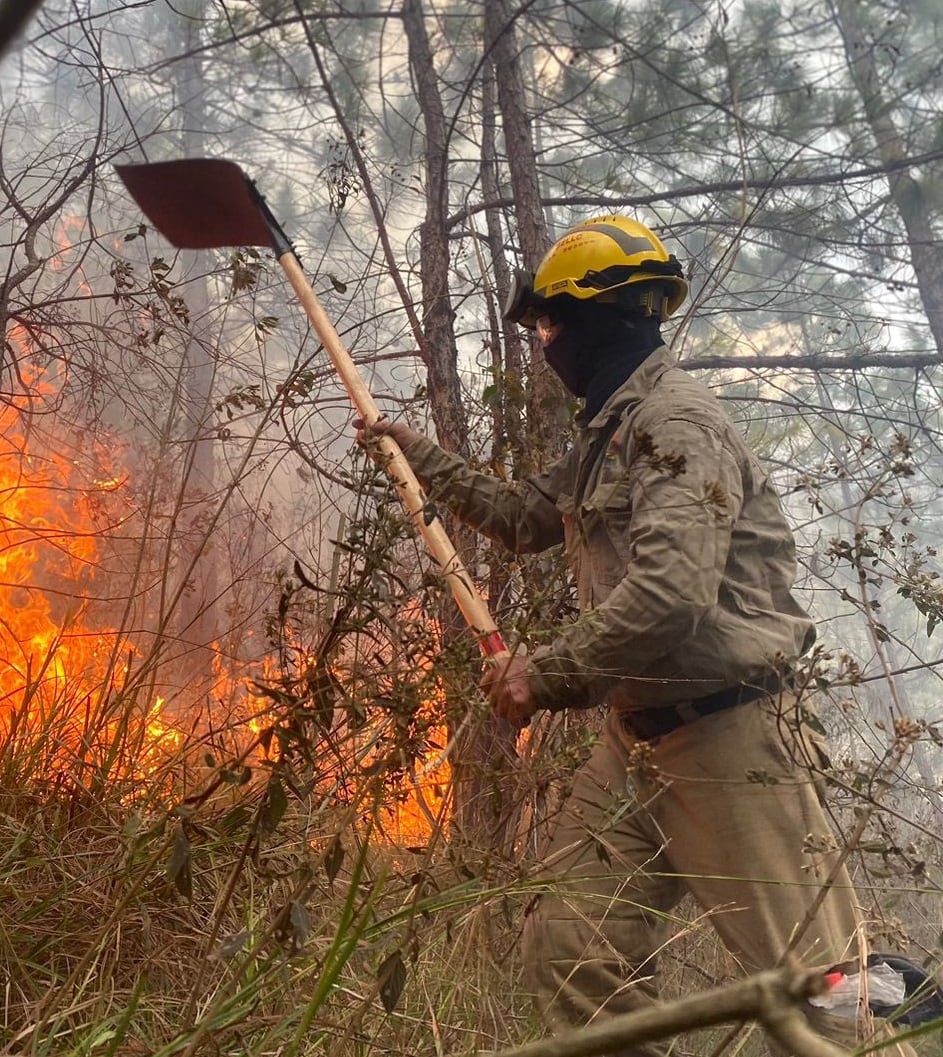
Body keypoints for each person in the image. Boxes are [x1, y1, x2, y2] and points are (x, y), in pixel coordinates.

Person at [357, 215, 904, 1054]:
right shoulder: (608, 431)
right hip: (634, 743)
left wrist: (547, 671)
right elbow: (523, 516)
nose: (544, 343)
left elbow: (671, 596)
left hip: (731, 735)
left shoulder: (674, 424)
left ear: (602, 316)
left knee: (827, 1001)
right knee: (577, 955)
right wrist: (415, 455)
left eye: (549, 322)